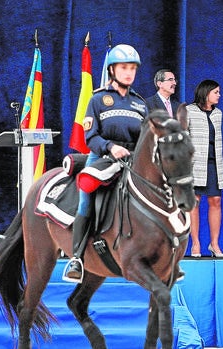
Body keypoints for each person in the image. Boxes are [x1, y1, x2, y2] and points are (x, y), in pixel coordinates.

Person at [64, 44, 147, 282]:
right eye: (124, 67)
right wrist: (111, 147)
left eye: (132, 68)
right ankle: (76, 258)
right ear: (112, 70)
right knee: (85, 200)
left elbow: (146, 137)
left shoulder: (140, 103)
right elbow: (90, 137)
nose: (129, 72)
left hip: (131, 161)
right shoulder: (98, 99)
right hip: (102, 158)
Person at [186, 79, 223, 258]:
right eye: (216, 92)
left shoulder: (218, 113)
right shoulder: (189, 110)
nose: (219, 95)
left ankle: (214, 244)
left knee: (215, 201)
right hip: (194, 164)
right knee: (194, 202)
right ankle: (195, 245)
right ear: (206, 92)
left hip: (213, 164)